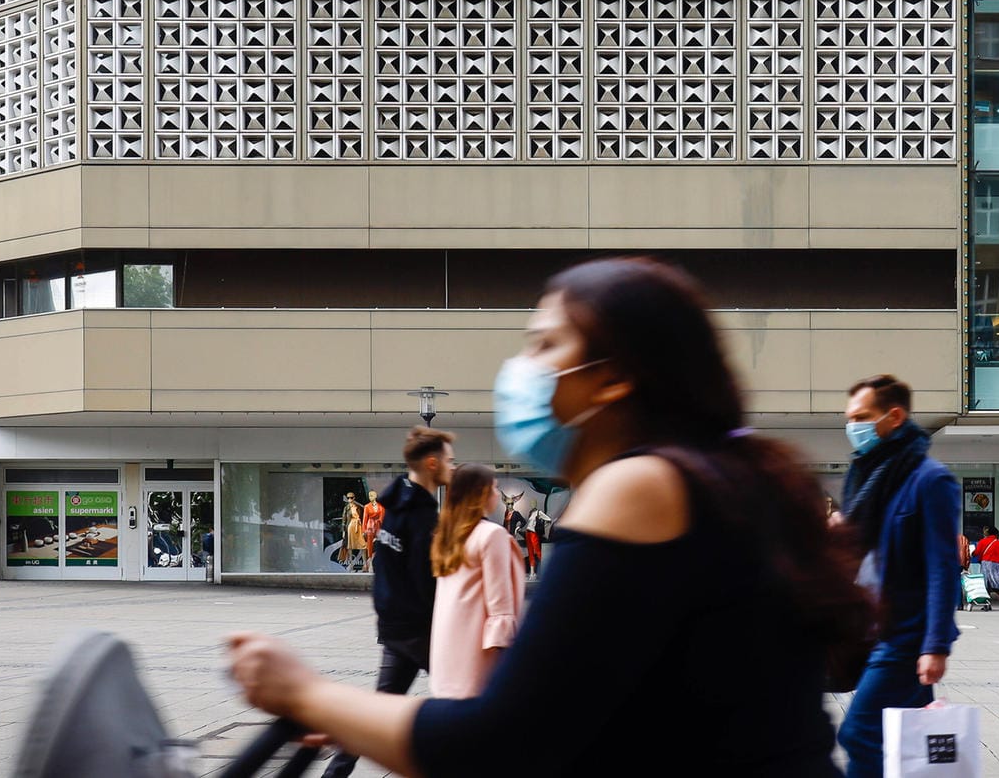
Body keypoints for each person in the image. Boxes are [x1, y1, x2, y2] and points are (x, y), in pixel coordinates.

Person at [230, 257, 870, 776]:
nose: (523, 369)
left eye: (545, 344)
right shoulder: (729, 477)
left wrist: (303, 692)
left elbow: (498, 744)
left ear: (612, 379)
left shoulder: (639, 487)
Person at [834, 373, 961, 778]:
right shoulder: (871, 478)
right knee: (906, 739)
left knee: (859, 733)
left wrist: (935, 644)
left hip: (904, 636)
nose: (852, 426)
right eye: (850, 417)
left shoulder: (930, 480)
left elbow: (942, 566)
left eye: (861, 416)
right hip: (872, 629)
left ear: (894, 416)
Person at [318, 424, 453, 778]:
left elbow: (387, 571)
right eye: (449, 461)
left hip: (397, 629)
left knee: (376, 710)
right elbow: (425, 580)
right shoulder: (420, 515)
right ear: (432, 463)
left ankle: (335, 773)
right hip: (421, 630)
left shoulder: (394, 507)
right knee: (469, 700)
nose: (452, 468)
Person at [427, 464, 524, 699]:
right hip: (480, 660)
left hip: (448, 659)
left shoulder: (447, 537)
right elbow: (499, 604)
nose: (496, 495)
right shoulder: (492, 535)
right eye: (494, 488)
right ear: (481, 493)